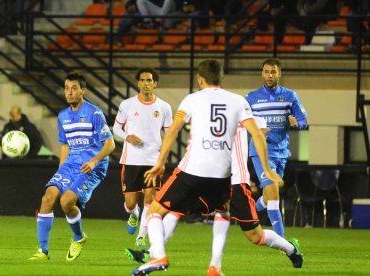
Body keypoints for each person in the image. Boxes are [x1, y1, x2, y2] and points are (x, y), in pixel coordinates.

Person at [131, 59, 285, 275]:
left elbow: (174, 130)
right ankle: (215, 265)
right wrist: (267, 170)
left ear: (200, 79)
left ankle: (158, 255)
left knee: (155, 211)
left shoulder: (192, 100)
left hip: (194, 171)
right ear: (221, 78)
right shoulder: (238, 101)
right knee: (222, 211)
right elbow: (258, 134)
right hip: (224, 176)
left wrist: (160, 163)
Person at [126, 117, 303, 275]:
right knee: (174, 210)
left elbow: (259, 131)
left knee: (255, 236)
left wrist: (265, 162)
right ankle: (153, 253)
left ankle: (290, 249)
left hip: (236, 183)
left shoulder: (244, 115)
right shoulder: (209, 119)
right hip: (210, 181)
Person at [29, 71, 115, 261]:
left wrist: (93, 161)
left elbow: (110, 144)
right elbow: (65, 146)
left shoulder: (94, 113)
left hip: (92, 166)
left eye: (74, 88)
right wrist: (61, 170)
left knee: (67, 201)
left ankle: (78, 237)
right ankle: (43, 252)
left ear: (83, 90)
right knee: (47, 198)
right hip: (70, 164)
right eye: (67, 88)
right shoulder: (63, 116)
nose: (69, 92)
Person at [246, 58, 308, 238]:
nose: (269, 75)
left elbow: (303, 120)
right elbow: (241, 124)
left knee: (268, 196)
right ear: (262, 73)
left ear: (279, 73)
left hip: (282, 153)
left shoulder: (290, 96)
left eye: (273, 72)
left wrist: (298, 123)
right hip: (260, 152)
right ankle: (283, 242)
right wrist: (255, 130)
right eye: (266, 71)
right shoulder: (251, 98)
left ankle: (249, 211)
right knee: (273, 193)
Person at [113, 67, 173, 248]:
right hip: (131, 160)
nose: (146, 84)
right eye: (142, 80)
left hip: (152, 161)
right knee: (131, 203)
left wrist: (162, 159)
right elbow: (116, 128)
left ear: (155, 84)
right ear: (138, 83)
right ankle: (134, 215)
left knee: (150, 198)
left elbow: (169, 135)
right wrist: (127, 136)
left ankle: (141, 236)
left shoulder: (164, 107)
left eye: (149, 80)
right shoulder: (127, 105)